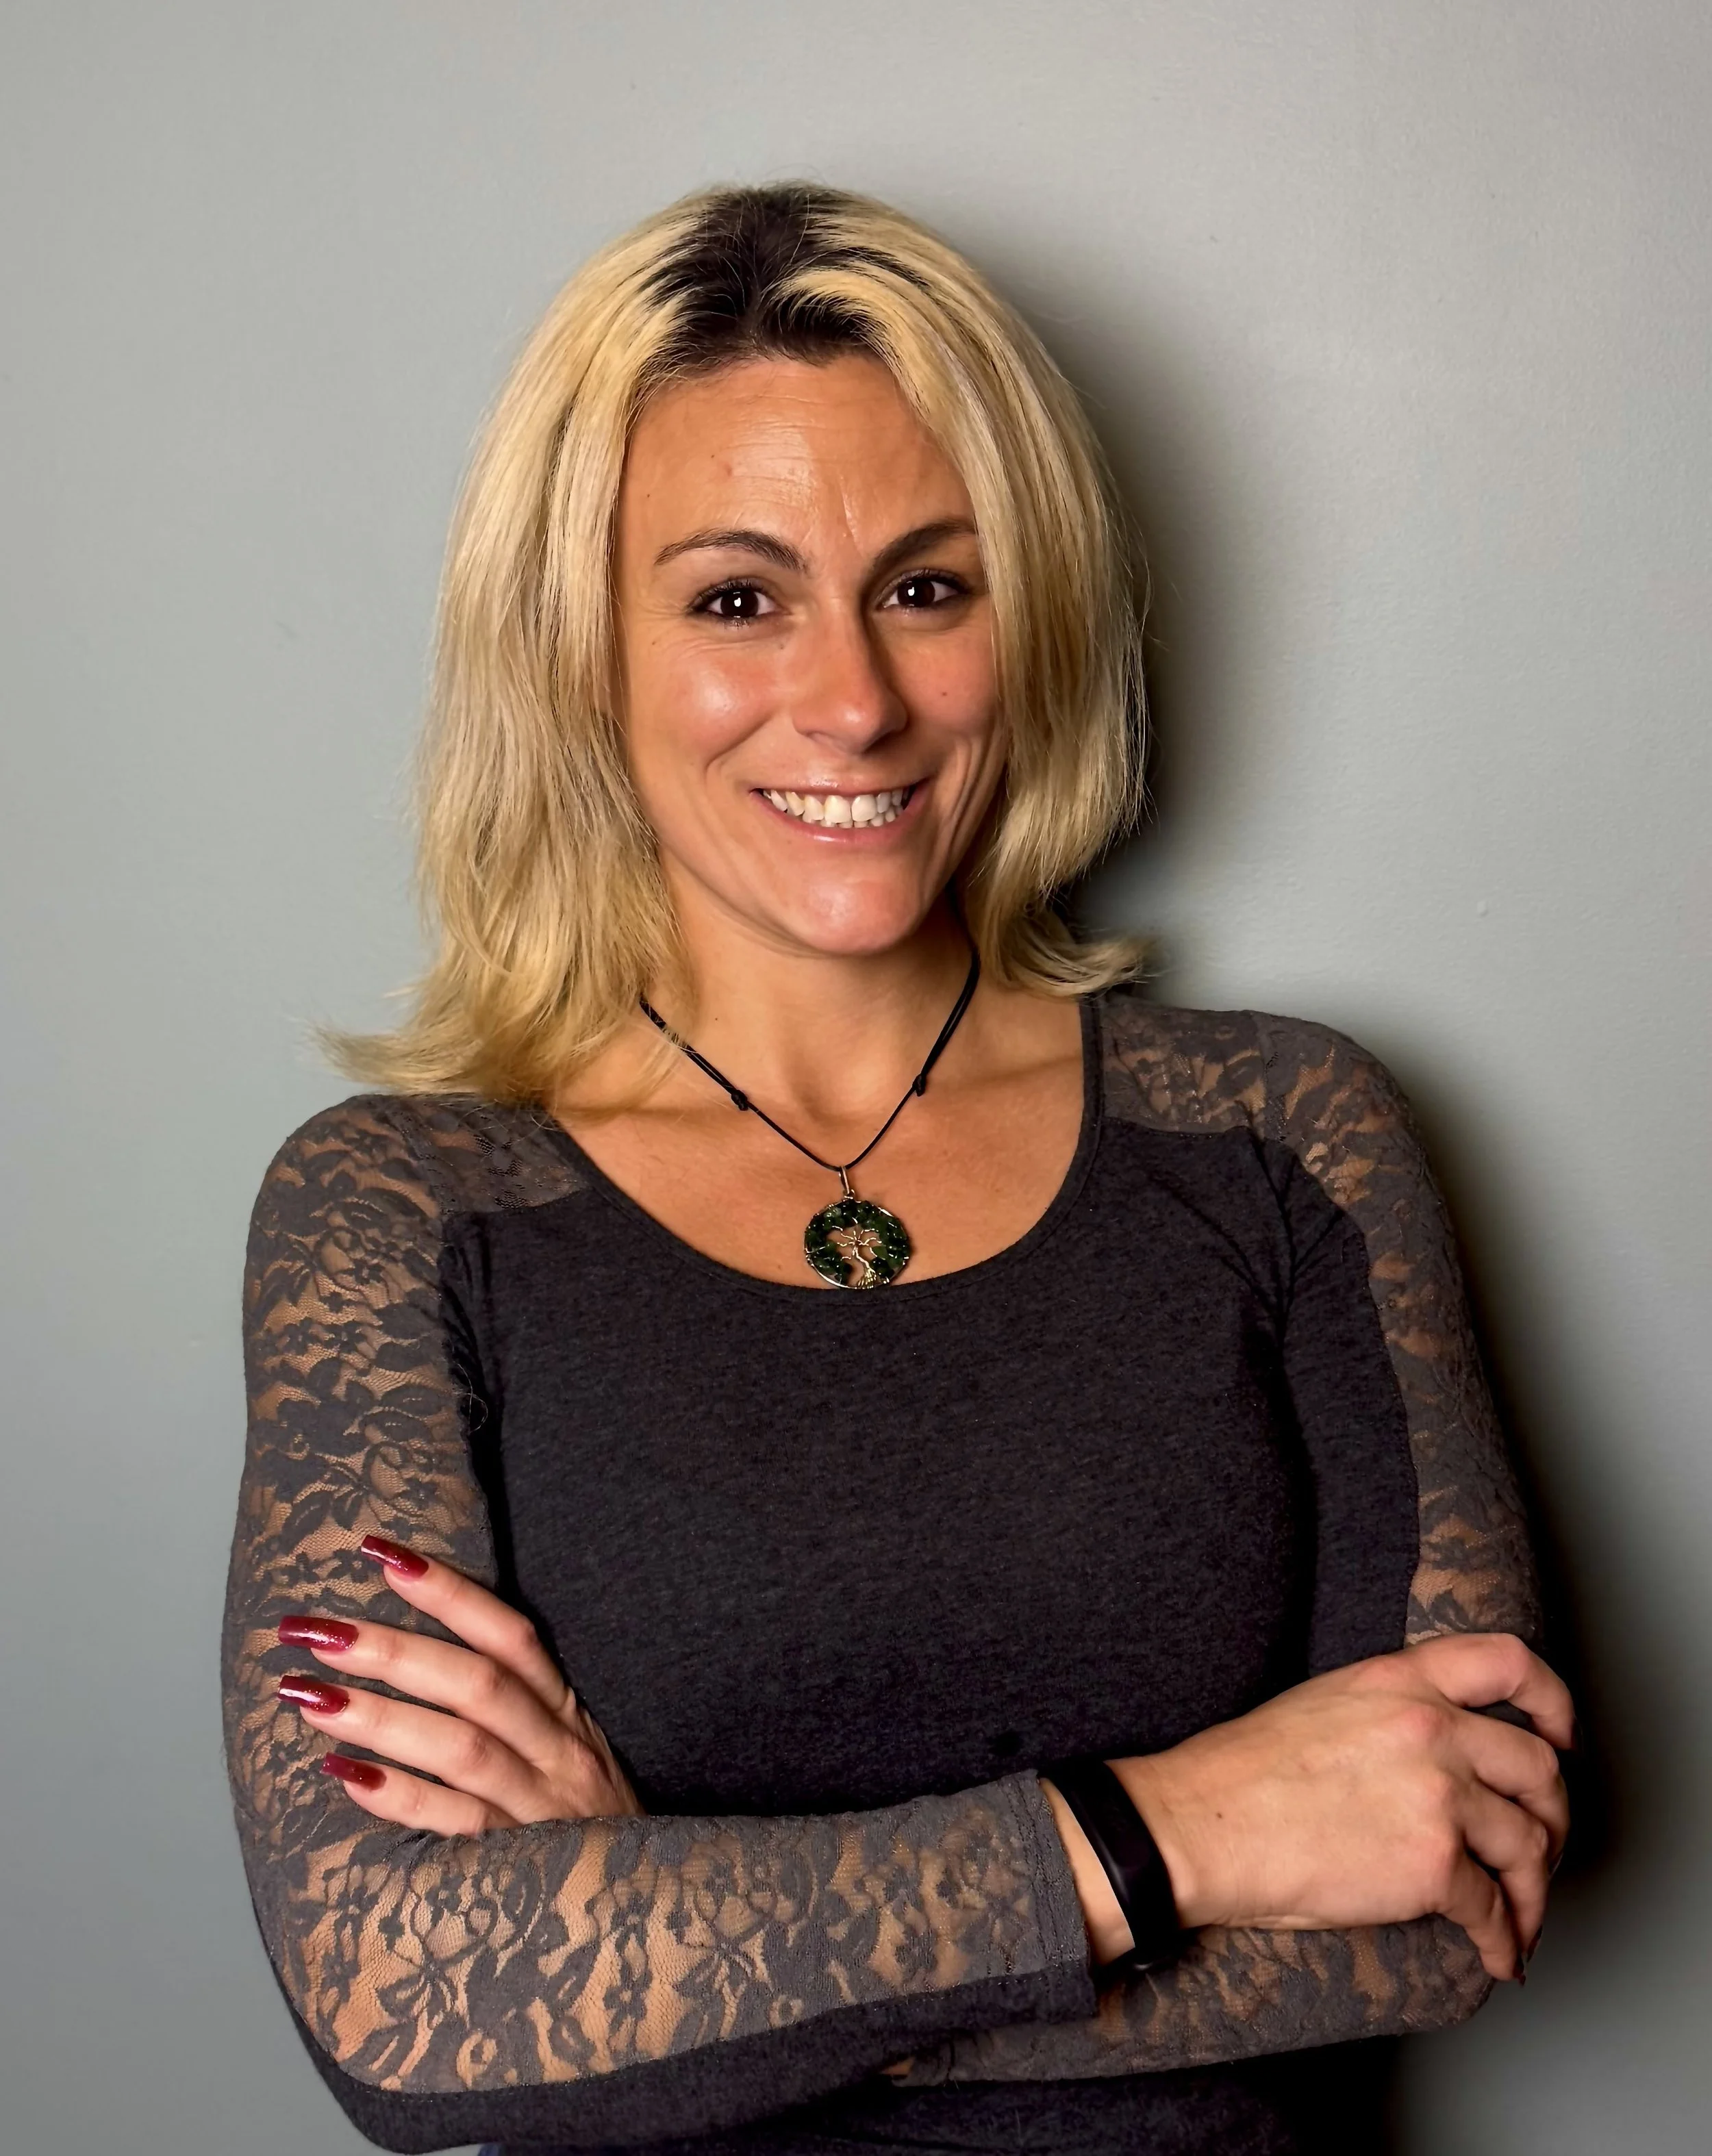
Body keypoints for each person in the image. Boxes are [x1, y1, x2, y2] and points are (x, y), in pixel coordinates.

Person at [221, 182, 1571, 2156]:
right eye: (735, 596)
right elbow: (407, 2003)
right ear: (575, 640)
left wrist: (652, 1940)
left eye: (931, 585)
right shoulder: (401, 1210)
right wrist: (1180, 1828)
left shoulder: (1284, 1131)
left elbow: (1444, 1898)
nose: (852, 697)